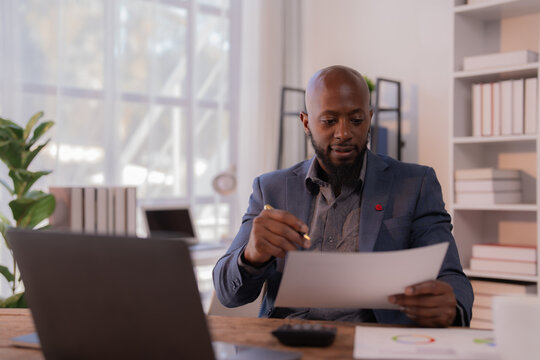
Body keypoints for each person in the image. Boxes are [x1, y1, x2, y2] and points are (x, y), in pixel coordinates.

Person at [213, 65, 473, 327]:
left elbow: (451, 275)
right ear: (306, 122)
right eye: (329, 121)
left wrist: (452, 306)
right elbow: (228, 294)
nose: (344, 133)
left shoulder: (415, 184)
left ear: (369, 118)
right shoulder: (271, 189)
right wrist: (251, 255)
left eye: (356, 120)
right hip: (288, 345)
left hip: (375, 343)